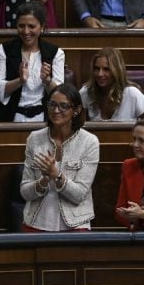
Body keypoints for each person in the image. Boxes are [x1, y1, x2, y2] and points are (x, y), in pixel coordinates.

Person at [20, 83, 100, 231]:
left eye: (63, 106)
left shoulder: (89, 142)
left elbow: (79, 194)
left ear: (76, 110)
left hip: (75, 223)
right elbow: (25, 192)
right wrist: (43, 180)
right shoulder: (35, 139)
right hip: (36, 221)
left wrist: (56, 176)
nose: (56, 111)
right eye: (52, 104)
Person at [0, 1, 64, 122]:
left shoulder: (55, 53)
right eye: (21, 26)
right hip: (10, 118)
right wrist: (20, 81)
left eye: (31, 26)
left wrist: (47, 81)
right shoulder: (4, 50)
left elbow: (61, 95)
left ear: (42, 27)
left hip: (44, 120)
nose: (26, 31)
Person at [81, 48, 144, 122]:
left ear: (117, 71)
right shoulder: (86, 92)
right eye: (96, 68)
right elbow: (78, 128)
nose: (100, 74)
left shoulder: (132, 94)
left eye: (106, 69)